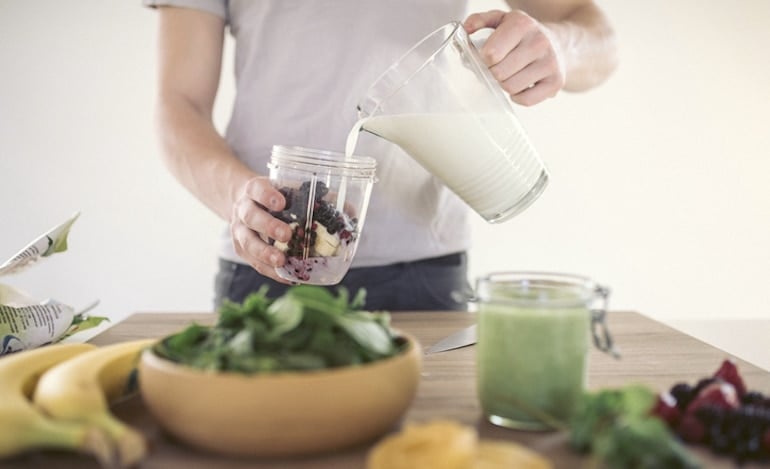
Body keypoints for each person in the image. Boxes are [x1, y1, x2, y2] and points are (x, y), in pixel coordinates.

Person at [144, 0, 617, 311]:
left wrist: (559, 45)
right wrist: (238, 201)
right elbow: (178, 106)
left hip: (425, 273)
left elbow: (598, 37)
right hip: (269, 266)